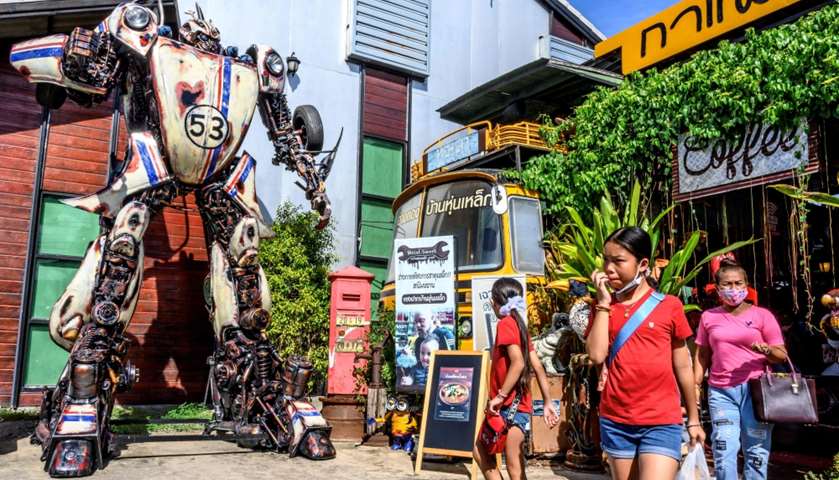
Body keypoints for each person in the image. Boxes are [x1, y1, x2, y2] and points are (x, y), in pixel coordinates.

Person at [586, 227, 704, 480]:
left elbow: (683, 366)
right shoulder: (602, 308)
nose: (609, 268)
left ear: (642, 264)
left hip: (661, 420)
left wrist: (693, 419)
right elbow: (596, 356)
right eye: (606, 259)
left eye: (618, 261)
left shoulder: (669, 306)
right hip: (616, 419)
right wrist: (604, 303)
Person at [694, 258, 787, 480]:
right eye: (727, 284)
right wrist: (695, 386)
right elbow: (703, 355)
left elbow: (781, 354)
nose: (733, 289)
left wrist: (766, 350)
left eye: (738, 283)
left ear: (747, 285)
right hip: (721, 391)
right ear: (718, 288)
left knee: (756, 450)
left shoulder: (762, 316)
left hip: (756, 391)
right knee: (723, 447)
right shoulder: (708, 317)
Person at [473, 277, 560, 480]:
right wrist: (547, 401)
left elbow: (519, 362)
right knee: (506, 461)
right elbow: (537, 366)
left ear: (495, 302)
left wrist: (500, 396)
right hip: (517, 407)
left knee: (508, 464)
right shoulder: (519, 325)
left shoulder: (505, 324)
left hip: (508, 407)